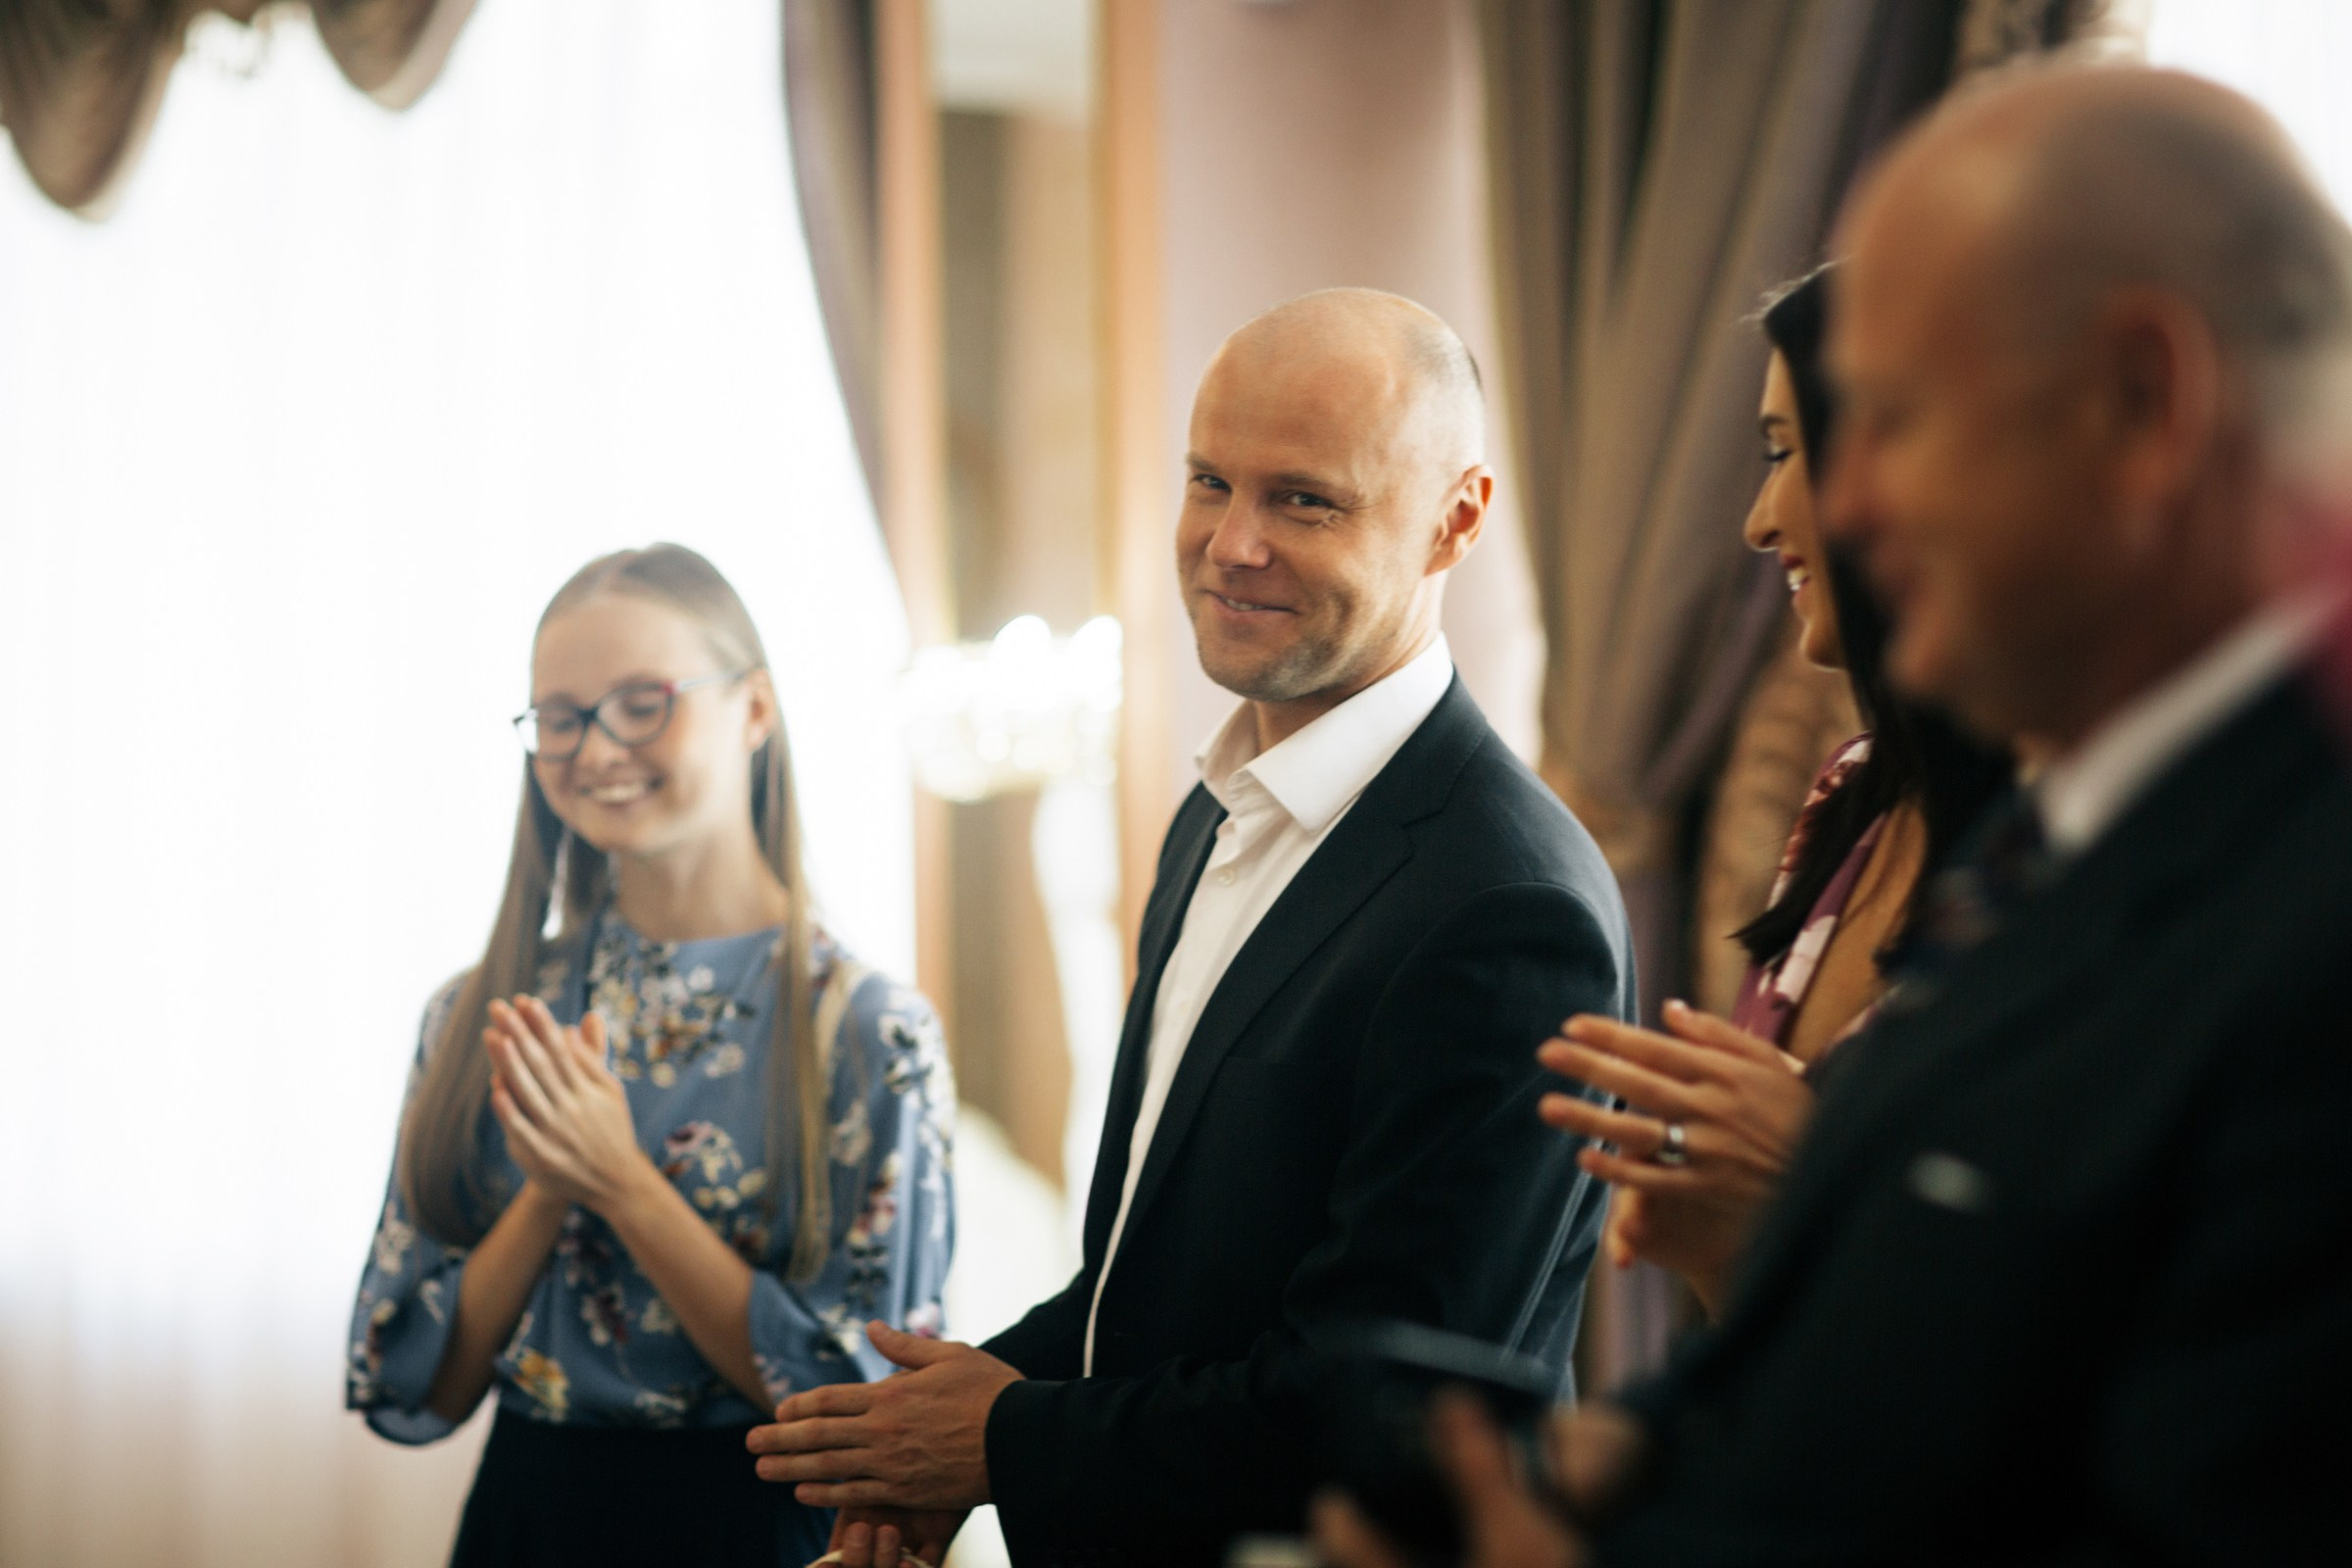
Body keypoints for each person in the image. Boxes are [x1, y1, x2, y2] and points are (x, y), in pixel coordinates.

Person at [1318, 59, 2352, 1567]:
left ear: (2144, 400)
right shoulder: (2052, 835)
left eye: (1897, 424)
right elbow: (1956, 1356)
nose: (1834, 512)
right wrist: (1632, 1457)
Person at [747, 288, 1634, 1567]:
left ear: (1459, 519)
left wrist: (999, 1447)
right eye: (1210, 481)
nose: (1231, 544)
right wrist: (930, 1430)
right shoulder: (1209, 822)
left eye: (1304, 500)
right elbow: (1143, 1293)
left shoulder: (1508, 906)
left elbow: (1385, 1409)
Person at [347, 545, 955, 1567]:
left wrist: (623, 1181)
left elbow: (866, 1411)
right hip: (530, 1520)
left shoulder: (867, 1030)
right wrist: (548, 1190)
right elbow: (407, 1378)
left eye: (642, 701)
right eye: (561, 716)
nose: (595, 749)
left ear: (754, 709)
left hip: (760, 1527)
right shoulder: (478, 1013)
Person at [1537, 269, 2010, 1317]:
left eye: (1786, 452)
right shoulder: (1852, 797)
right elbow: (1754, 1306)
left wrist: (1797, 1197)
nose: (1759, 519)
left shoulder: (2074, 858)